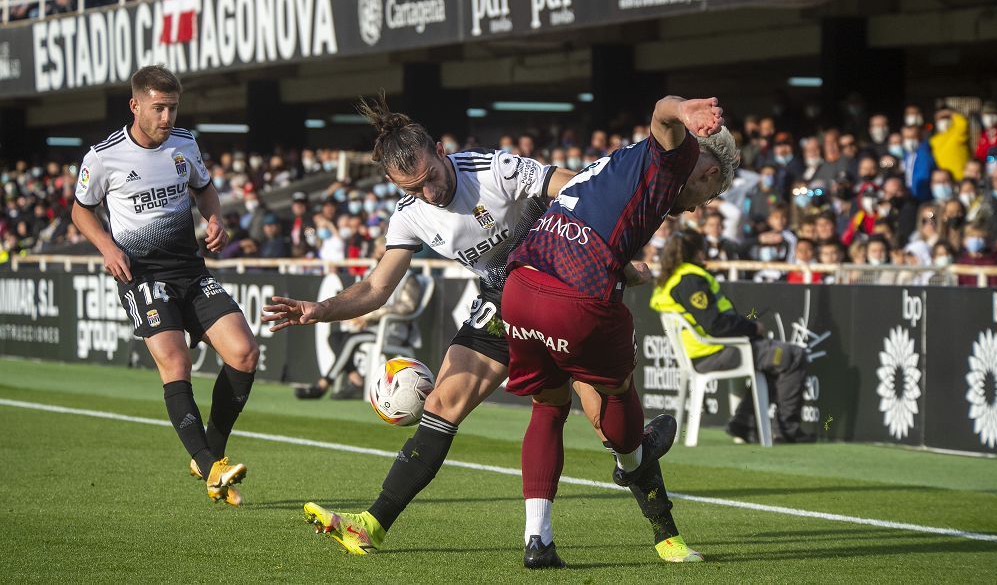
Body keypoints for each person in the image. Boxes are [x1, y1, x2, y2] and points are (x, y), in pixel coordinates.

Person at [261, 95, 656, 568]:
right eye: (413, 186)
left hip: (563, 285)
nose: (429, 191)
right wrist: (318, 309)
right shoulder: (410, 215)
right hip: (501, 301)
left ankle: (658, 511)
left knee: (607, 427)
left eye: (432, 176)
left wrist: (610, 247)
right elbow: (377, 287)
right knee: (442, 403)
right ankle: (371, 525)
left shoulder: (495, 169)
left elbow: (573, 188)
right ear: (393, 183)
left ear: (443, 151)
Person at [500, 95, 730, 567]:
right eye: (705, 199)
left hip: (521, 287)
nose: (692, 210)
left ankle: (537, 541)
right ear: (708, 173)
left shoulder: (620, 162)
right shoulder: (677, 158)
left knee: (548, 407)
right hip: (577, 302)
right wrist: (684, 111)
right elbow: (664, 108)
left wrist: (623, 269)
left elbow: (585, 226)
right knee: (619, 397)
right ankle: (636, 469)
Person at [70, 65, 258, 507]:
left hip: (191, 271)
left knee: (245, 353)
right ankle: (211, 464)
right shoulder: (103, 157)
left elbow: (204, 188)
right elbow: (80, 211)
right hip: (142, 275)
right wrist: (106, 247)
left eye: (173, 107)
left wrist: (215, 219)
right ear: (135, 105)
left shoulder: (185, 143)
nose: (167, 116)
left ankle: (209, 453)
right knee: (176, 360)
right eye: (159, 107)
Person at [651, 229, 814, 443]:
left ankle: (744, 423)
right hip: (715, 352)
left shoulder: (671, 278)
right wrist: (752, 328)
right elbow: (715, 325)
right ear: (699, 251)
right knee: (792, 355)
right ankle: (786, 429)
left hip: (711, 351)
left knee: (777, 359)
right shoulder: (689, 279)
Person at [294, 236, 424, 400]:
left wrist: (371, 315)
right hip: (372, 327)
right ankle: (356, 381)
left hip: (393, 329)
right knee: (335, 337)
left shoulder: (409, 277)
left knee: (350, 340)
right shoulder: (374, 275)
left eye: (380, 254)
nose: (377, 258)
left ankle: (324, 384)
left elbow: (407, 307)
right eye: (377, 255)